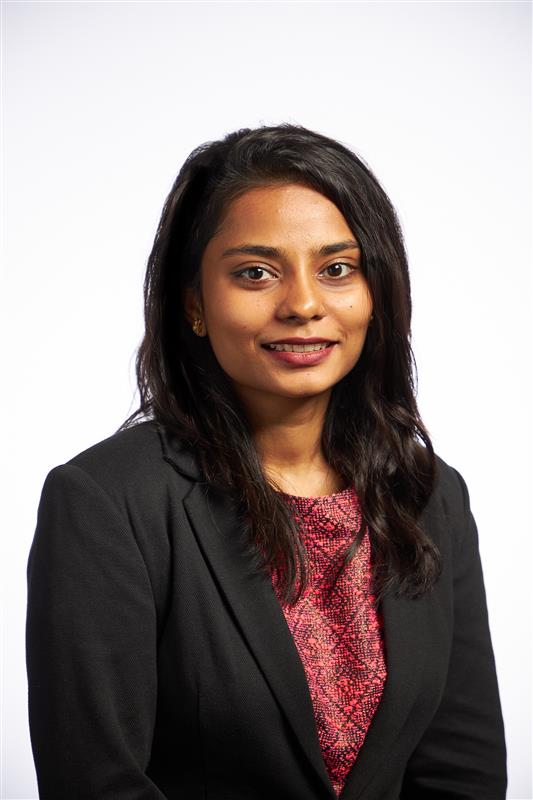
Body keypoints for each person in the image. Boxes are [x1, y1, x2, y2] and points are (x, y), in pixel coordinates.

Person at [26, 124, 507, 799]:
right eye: (254, 272)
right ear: (193, 302)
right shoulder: (107, 500)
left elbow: (463, 769)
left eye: (337, 268)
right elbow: (95, 783)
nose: (303, 304)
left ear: (376, 290)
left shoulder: (429, 495)